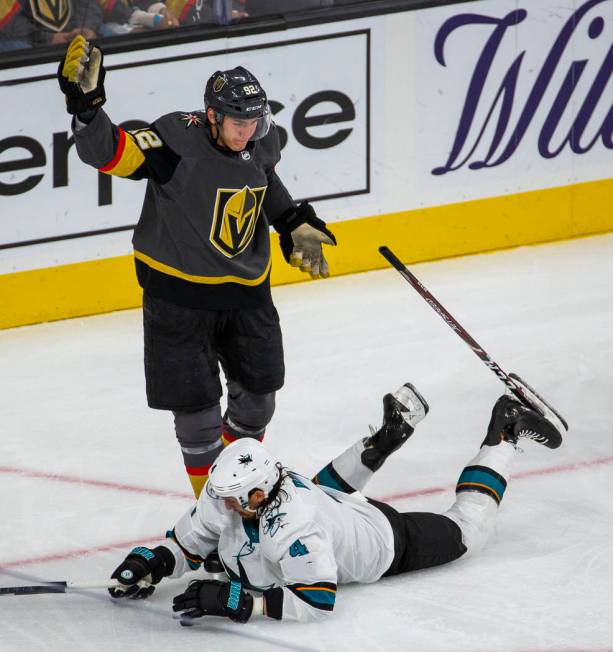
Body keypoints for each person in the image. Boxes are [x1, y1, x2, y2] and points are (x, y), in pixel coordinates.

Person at [57, 36, 336, 499]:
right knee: (197, 413)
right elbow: (112, 153)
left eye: (254, 120)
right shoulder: (174, 139)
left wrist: (292, 223)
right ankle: (217, 512)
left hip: (248, 293)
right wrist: (87, 110)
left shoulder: (261, 142)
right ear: (212, 115)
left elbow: (264, 182)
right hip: (178, 297)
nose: (247, 131)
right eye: (238, 121)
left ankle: (239, 485)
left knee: (258, 401)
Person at [107, 382, 563, 623]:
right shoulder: (231, 493)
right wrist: (156, 562)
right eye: (221, 495)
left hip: (385, 540)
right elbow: (188, 543)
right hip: (330, 507)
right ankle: (382, 441)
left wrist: (240, 602)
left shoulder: (294, 527)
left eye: (231, 499)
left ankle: (503, 433)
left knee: (470, 531)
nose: (219, 505)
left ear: (259, 494)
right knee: (322, 499)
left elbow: (317, 601)